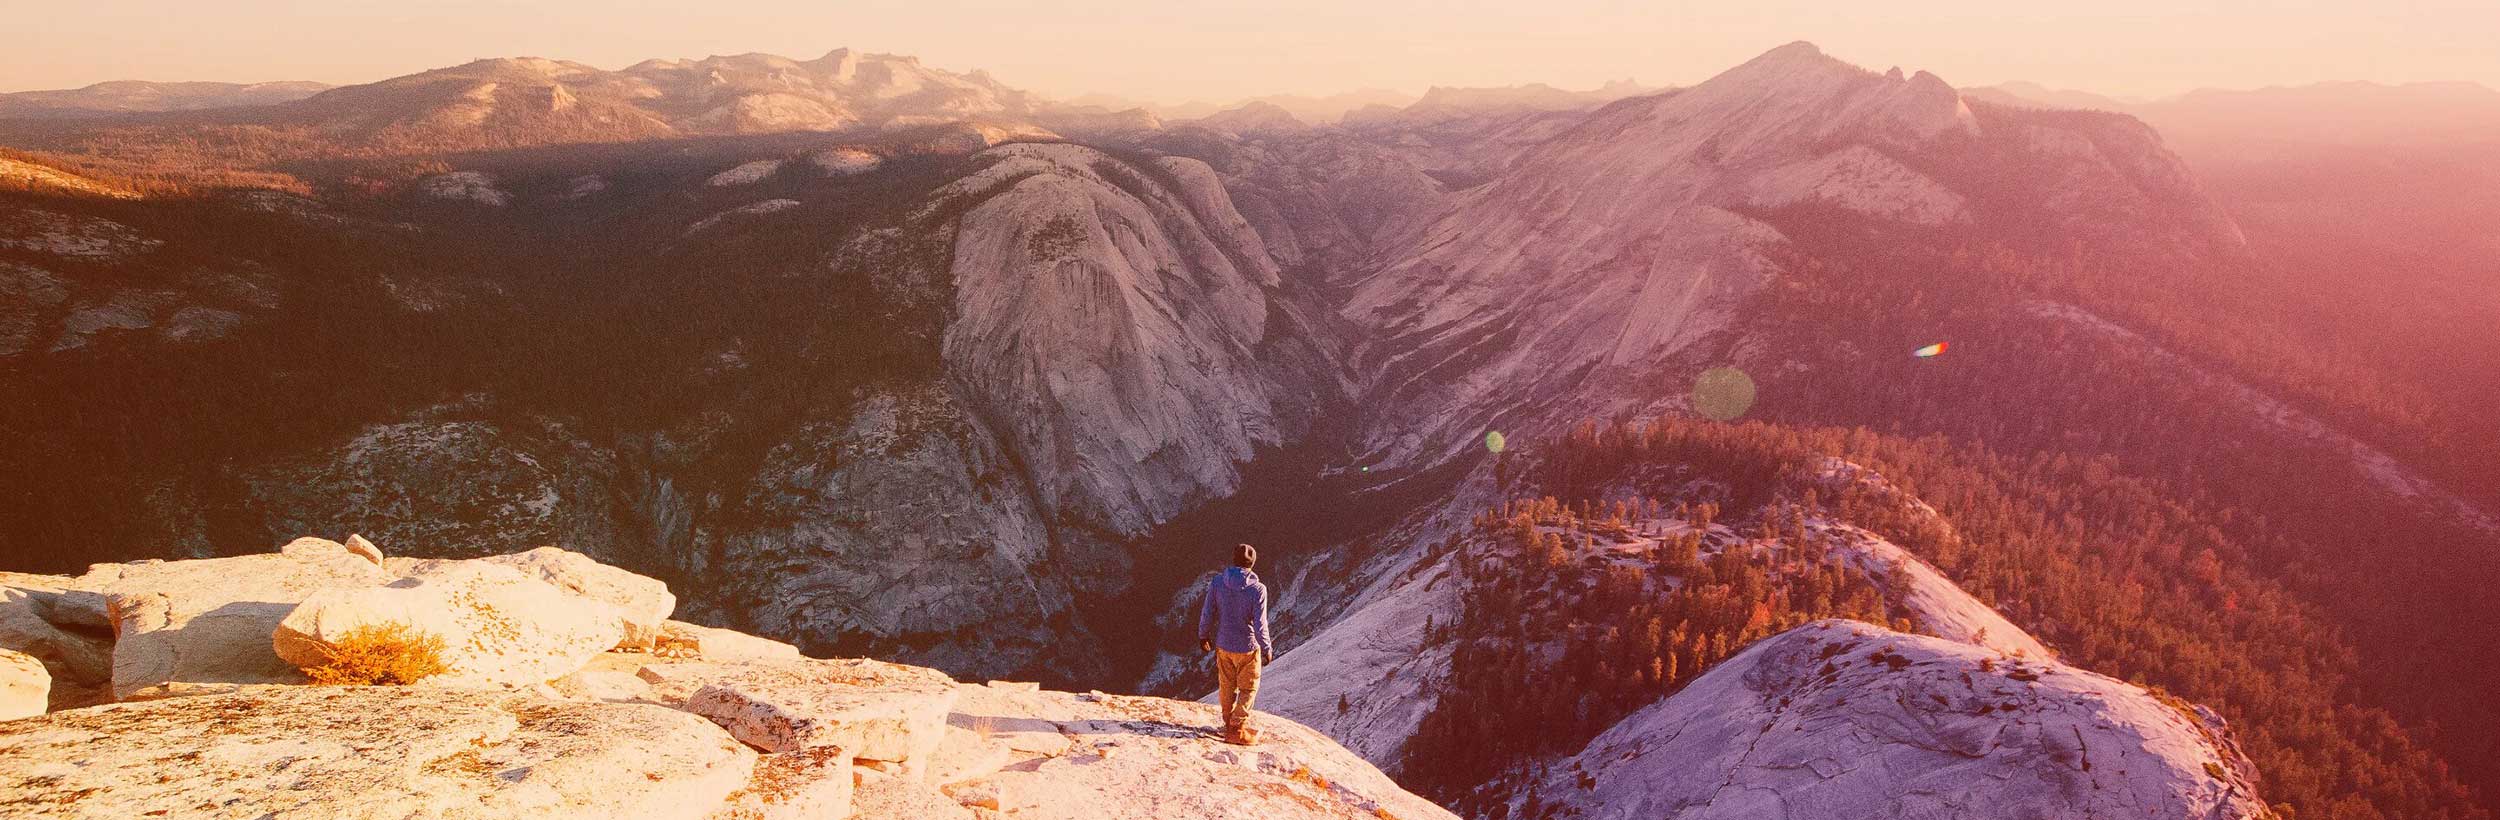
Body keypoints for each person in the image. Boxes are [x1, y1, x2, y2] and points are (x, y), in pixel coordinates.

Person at [1198, 543, 1275, 745]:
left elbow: (1208, 611)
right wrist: (1266, 648)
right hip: (1248, 647)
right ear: (1252, 563)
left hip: (1223, 644)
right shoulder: (1258, 590)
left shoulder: (1217, 582)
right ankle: (1236, 729)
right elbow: (1260, 623)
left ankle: (1227, 722)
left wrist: (1203, 635)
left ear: (1233, 560)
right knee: (1248, 689)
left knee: (1226, 686)